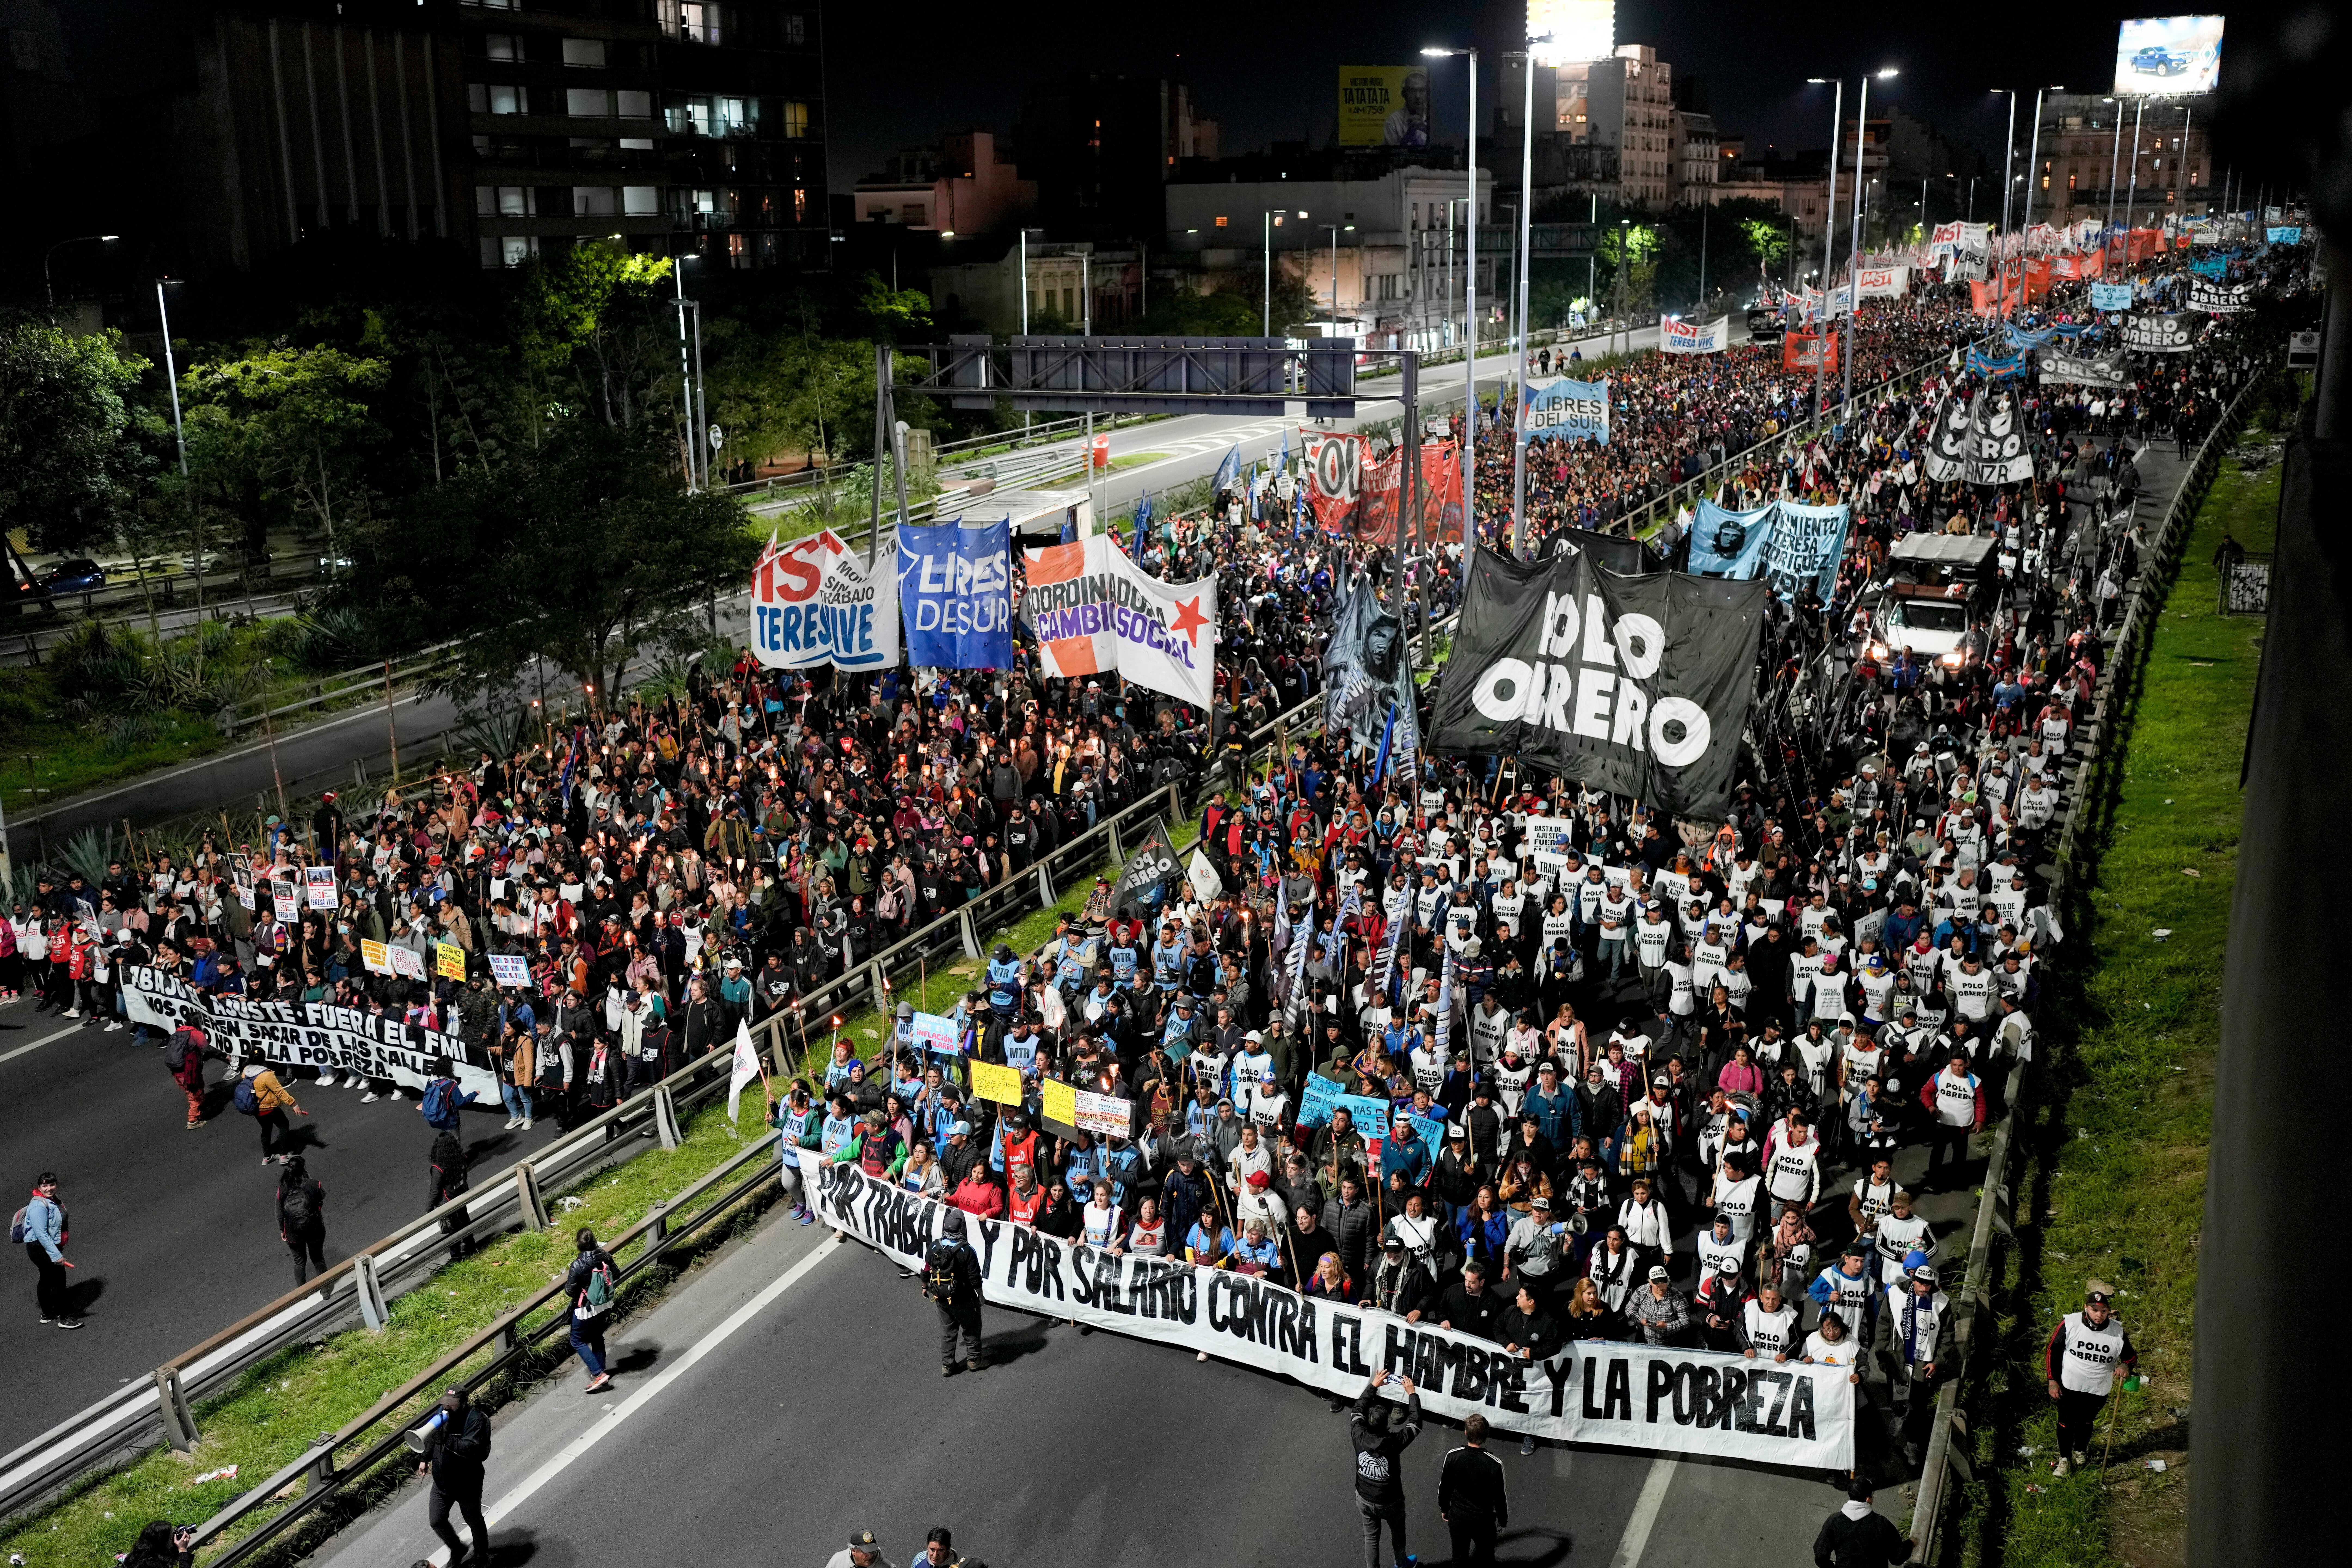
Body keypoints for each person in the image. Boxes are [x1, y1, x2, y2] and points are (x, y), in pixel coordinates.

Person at [2043, 1278, 2138, 1477]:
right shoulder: (2071, 1323)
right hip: (2070, 1385)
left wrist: (2125, 1366)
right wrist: (2052, 1380)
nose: (2099, 1315)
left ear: (2108, 1312)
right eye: (2095, 1310)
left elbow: (2131, 1357)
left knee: (2086, 1421)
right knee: (2066, 1421)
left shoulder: (2117, 1332)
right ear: (2086, 1308)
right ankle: (2064, 1459)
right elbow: (2054, 1350)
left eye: (2104, 1311)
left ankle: (2080, 1451)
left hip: (2098, 1388)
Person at [1348, 1369, 1422, 1568]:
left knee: (1371, 1538)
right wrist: (1412, 1394)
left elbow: (1357, 1409)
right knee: (1398, 1533)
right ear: (1387, 1423)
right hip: (1391, 1502)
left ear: (1368, 1422)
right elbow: (1415, 1424)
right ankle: (1401, 1564)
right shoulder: (1394, 1442)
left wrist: (1374, 1386)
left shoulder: (1358, 1434)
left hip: (1364, 1498)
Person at [415, 1386, 492, 1566]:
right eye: (446, 1403)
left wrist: (447, 1439)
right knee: (437, 1520)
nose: (447, 1408)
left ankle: (482, 1556)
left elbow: (471, 1448)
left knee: (474, 1520)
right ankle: (458, 1548)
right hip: (442, 1483)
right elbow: (433, 1435)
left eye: (453, 1405)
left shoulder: (476, 1420)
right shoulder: (443, 1412)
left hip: (467, 1483)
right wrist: (425, 1458)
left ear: (464, 1403)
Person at [1438, 1412, 1510, 1568]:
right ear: (1487, 1435)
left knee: (1459, 1559)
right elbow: (1500, 1497)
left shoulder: (1453, 1456)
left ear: (1466, 1433)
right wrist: (1503, 1521)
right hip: (1483, 1522)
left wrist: (1444, 1509)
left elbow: (1444, 1487)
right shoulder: (1495, 1464)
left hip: (1458, 1517)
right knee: (1487, 1559)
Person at [924, 1207, 985, 1375]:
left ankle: (948, 1365)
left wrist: (924, 1287)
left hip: (941, 1298)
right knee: (971, 1328)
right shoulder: (967, 1250)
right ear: (961, 1228)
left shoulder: (935, 1245)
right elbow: (975, 1277)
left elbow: (926, 1268)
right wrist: (981, 1296)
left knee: (948, 1332)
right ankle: (974, 1360)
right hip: (964, 1298)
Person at [558, 1227, 618, 1393]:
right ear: (595, 1241)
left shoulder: (578, 1265)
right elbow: (617, 1274)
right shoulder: (605, 1255)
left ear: (578, 1245)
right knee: (597, 1336)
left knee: (576, 1341)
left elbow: (570, 1291)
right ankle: (601, 1370)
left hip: (586, 1307)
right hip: (603, 1304)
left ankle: (598, 1374)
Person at [20, 1171, 78, 1328]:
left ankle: (47, 1314)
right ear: (39, 1187)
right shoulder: (38, 1205)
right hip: (40, 1249)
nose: (49, 1188)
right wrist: (56, 1256)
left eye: (52, 1185)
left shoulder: (52, 1200)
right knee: (59, 1281)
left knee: (46, 1279)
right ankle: (65, 1318)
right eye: (45, 1186)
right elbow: (42, 1234)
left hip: (43, 1247)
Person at [1812, 1474, 1907, 1566]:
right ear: (1868, 1500)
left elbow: (1821, 1556)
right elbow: (1897, 1558)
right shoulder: (1881, 1523)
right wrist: (1911, 1543)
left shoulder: (1834, 1521)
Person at [276, 1154, 328, 1284]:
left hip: (293, 1232)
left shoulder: (282, 1189)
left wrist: (283, 1231)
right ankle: (326, 1289)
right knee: (318, 1258)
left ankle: (302, 1291)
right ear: (303, 1169)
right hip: (314, 1228)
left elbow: (279, 1213)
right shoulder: (313, 1184)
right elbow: (321, 1197)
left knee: (299, 1261)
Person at [118, 1520, 196, 1567]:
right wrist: (183, 1550)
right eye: (171, 1537)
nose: (174, 1538)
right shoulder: (153, 1564)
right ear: (162, 1544)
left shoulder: (142, 1552)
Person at [827, 1529, 896, 1568]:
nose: (870, 1556)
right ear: (854, 1551)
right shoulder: (838, 1560)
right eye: (865, 1552)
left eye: (872, 1551)